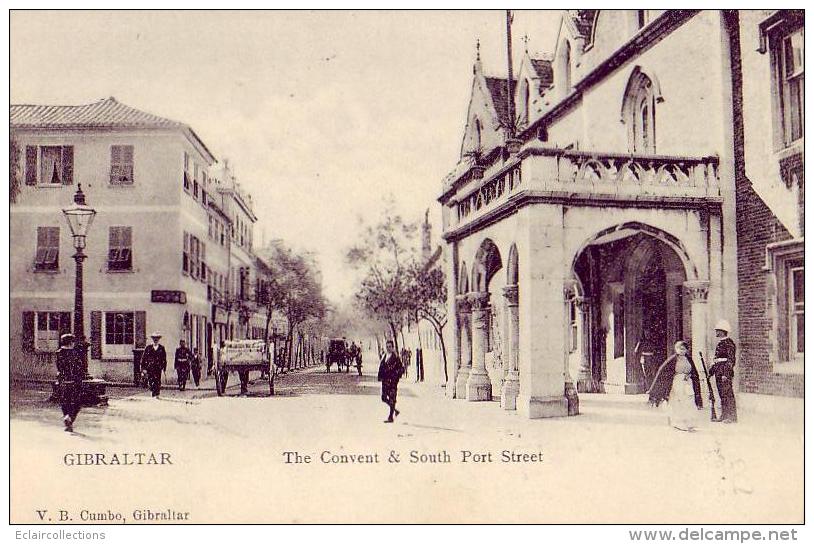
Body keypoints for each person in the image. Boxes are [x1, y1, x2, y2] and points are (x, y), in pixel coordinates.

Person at [648, 340, 703, 432]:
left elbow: (693, 372)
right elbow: (662, 371)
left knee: (689, 401)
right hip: (677, 383)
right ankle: (678, 422)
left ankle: (689, 423)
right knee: (678, 402)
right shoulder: (673, 359)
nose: (681, 351)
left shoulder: (689, 359)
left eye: (683, 349)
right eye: (679, 349)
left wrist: (690, 375)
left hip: (688, 383)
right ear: (676, 349)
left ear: (686, 350)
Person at [710, 319, 738, 423]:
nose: (716, 332)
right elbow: (717, 360)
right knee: (722, 394)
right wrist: (711, 372)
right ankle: (724, 415)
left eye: (718, 330)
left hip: (724, 372)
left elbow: (731, 360)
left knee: (728, 394)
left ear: (723, 331)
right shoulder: (721, 343)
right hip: (718, 371)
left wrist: (726, 374)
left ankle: (731, 417)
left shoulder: (729, 343)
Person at [56, 333, 83, 432]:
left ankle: (66, 418)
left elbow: (59, 367)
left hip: (62, 381)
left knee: (64, 402)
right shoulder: (75, 353)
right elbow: (79, 368)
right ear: (71, 343)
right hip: (74, 381)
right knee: (77, 403)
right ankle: (70, 419)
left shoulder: (59, 353)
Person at [377, 340, 404, 423]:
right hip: (385, 381)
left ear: (393, 348)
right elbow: (381, 367)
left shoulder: (396, 358)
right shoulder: (384, 356)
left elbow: (401, 369)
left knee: (392, 398)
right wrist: (380, 376)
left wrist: (395, 377)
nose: (388, 348)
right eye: (387, 347)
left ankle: (390, 417)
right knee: (384, 398)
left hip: (392, 381)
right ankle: (395, 410)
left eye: (390, 347)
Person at [141, 332, 167, 398]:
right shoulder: (148, 348)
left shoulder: (161, 348)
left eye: (157, 338)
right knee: (151, 380)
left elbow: (164, 358)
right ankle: (153, 391)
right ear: (152, 339)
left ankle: (157, 393)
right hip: (150, 367)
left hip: (158, 368)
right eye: (154, 338)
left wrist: (164, 367)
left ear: (159, 339)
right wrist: (143, 368)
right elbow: (144, 358)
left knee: (157, 380)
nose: (156, 340)